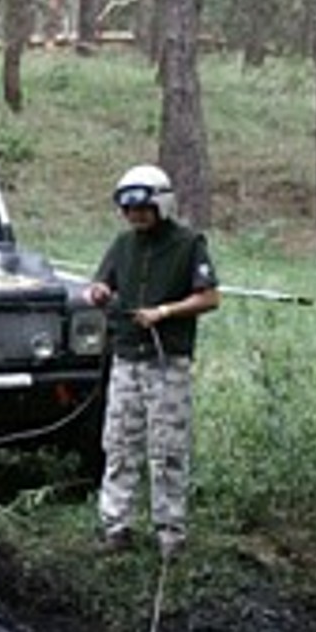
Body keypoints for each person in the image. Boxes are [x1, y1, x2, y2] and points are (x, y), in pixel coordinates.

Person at [85, 164, 222, 559]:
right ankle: (116, 527)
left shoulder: (188, 243)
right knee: (119, 444)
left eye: (144, 208)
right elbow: (102, 283)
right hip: (126, 357)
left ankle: (171, 534)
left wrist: (164, 312)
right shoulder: (122, 244)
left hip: (167, 360)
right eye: (129, 210)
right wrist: (98, 292)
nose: (137, 216)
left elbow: (209, 297)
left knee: (167, 448)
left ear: (162, 205)